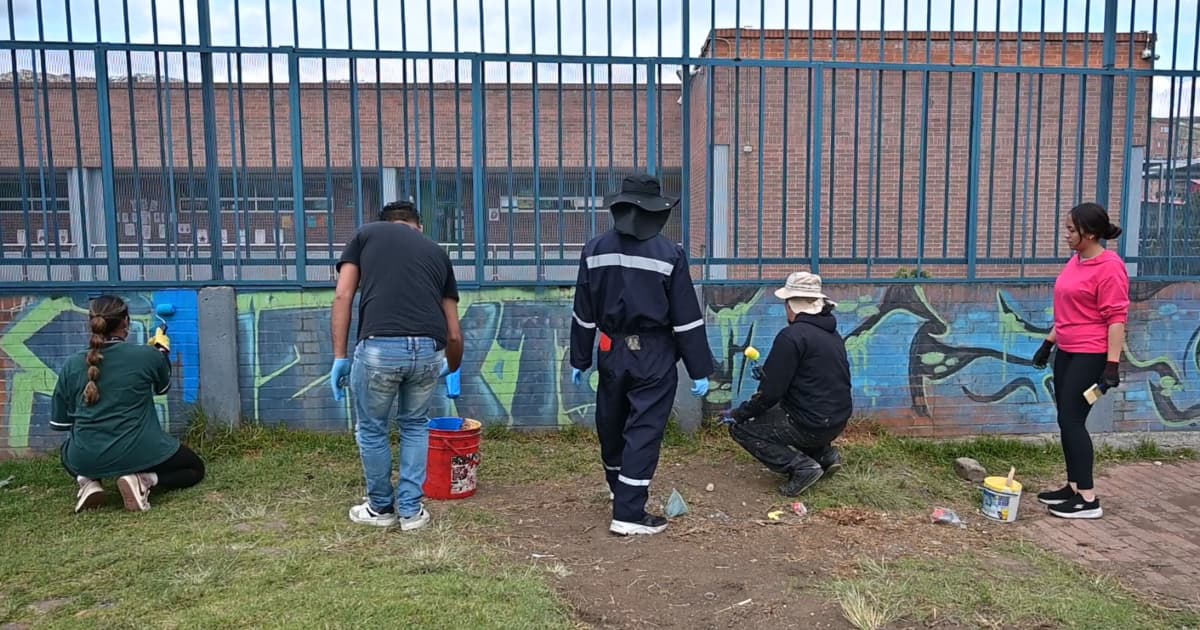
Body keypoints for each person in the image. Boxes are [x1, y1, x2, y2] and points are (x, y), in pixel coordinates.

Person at [570, 173, 713, 536]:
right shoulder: (669, 254)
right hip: (653, 353)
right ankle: (629, 515)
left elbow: (583, 312)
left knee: (612, 424)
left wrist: (580, 359)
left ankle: (622, 494)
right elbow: (685, 318)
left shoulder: (594, 250)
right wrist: (699, 369)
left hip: (610, 350)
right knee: (644, 429)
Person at [331, 199, 464, 531]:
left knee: (373, 429)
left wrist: (340, 357)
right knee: (416, 426)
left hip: (379, 348)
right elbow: (454, 331)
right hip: (427, 350)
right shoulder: (436, 252)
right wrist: (453, 364)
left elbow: (343, 296)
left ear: (386, 223)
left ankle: (380, 509)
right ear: (418, 225)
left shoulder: (365, 235)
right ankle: (411, 512)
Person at [51, 295, 205, 513]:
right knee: (194, 468)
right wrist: (161, 354)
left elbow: (60, 423)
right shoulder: (147, 356)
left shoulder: (71, 364)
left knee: (68, 452)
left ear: (92, 323)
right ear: (125, 322)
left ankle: (88, 481)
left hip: (84, 456)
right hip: (140, 451)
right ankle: (143, 479)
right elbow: (162, 388)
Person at [1032, 202, 1129, 520]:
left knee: (1072, 420)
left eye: (1071, 230)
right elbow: (1070, 311)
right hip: (1067, 350)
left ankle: (1088, 499)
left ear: (1089, 233)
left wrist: (1111, 365)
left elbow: (1116, 319)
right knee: (1066, 418)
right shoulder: (1076, 261)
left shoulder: (1110, 267)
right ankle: (1073, 487)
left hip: (1091, 354)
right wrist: (1048, 344)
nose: (1067, 235)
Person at [722, 272, 853, 497]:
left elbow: (770, 394)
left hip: (810, 424)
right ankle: (824, 456)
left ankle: (801, 468)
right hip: (836, 420)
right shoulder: (832, 335)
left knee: (742, 427)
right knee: (786, 414)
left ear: (792, 305)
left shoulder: (791, 337)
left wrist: (740, 413)